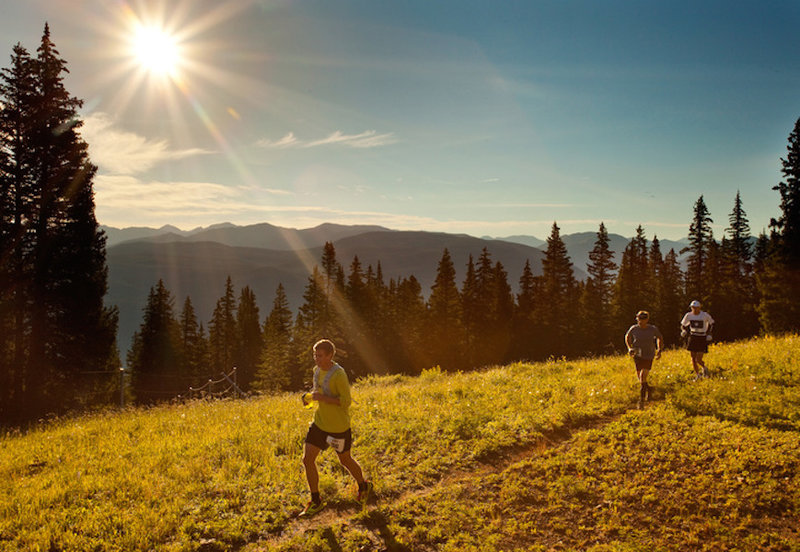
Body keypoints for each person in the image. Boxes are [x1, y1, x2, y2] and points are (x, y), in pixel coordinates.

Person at [299, 339, 372, 517]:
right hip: (319, 424)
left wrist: (322, 399)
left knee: (345, 460)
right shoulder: (316, 371)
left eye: (320, 355)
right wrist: (308, 397)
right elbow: (319, 390)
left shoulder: (339, 374)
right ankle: (316, 501)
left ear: (330, 355)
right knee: (307, 460)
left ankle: (364, 485)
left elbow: (345, 402)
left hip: (338, 428)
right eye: (315, 355)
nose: (316, 359)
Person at [625, 311, 664, 409]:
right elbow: (627, 337)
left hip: (649, 354)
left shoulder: (652, 329)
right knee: (640, 378)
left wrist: (659, 350)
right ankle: (649, 389)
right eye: (639, 319)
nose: (641, 321)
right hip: (637, 354)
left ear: (647, 319)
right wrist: (629, 348)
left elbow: (659, 337)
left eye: (643, 319)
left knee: (643, 376)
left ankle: (641, 401)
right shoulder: (634, 328)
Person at [680, 300, 715, 379]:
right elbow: (683, 324)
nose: (694, 309)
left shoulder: (704, 315)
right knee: (693, 358)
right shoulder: (688, 315)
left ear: (699, 308)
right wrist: (684, 330)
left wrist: (709, 334)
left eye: (696, 308)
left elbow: (712, 323)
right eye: (693, 308)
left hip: (702, 337)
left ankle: (704, 368)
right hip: (693, 336)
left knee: (698, 359)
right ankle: (698, 375)